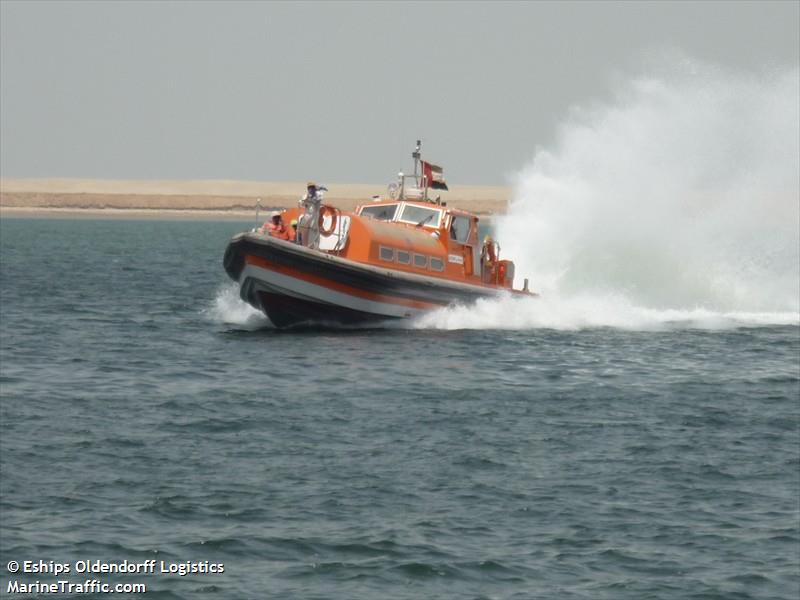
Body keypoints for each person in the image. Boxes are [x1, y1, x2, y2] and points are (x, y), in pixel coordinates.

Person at [297, 181, 323, 248]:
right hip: (307, 215)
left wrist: (312, 196)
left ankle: (313, 247)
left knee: (314, 231)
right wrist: (305, 200)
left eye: (312, 188)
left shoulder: (319, 194)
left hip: (315, 215)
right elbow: (300, 203)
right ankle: (303, 245)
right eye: (310, 188)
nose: (311, 189)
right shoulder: (305, 196)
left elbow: (317, 200)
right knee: (303, 229)